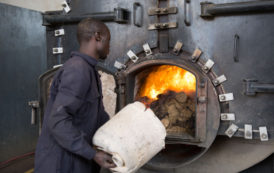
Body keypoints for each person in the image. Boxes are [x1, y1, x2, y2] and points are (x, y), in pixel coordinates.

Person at [34, 18, 116, 173]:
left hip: (76, 159)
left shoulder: (89, 70)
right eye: (108, 40)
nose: (109, 46)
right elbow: (58, 122)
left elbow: (99, 116)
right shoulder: (78, 70)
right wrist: (93, 154)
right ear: (97, 37)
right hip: (61, 163)